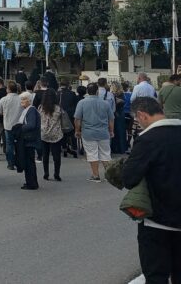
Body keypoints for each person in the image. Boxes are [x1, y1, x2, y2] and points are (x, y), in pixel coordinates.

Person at [122, 96, 181, 283]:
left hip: (157, 222)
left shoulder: (148, 139)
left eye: (137, 120)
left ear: (141, 115)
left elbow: (129, 179)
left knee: (156, 275)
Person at [74, 83, 114, 183]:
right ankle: (109, 175)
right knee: (105, 154)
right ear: (97, 91)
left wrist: (77, 131)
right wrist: (111, 131)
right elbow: (111, 119)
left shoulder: (82, 103)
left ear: (87, 91)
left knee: (92, 154)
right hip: (103, 132)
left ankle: (95, 175)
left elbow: (77, 119)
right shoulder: (105, 103)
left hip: (88, 132)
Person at [0, 81, 22, 170]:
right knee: (19, 144)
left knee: (9, 144)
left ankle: (10, 163)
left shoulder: (3, 99)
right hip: (19, 124)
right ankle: (19, 162)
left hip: (8, 124)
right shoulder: (21, 99)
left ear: (8, 89)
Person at [39, 88, 63, 181]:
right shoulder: (58, 108)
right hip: (56, 134)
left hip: (43, 134)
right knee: (56, 156)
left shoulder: (41, 108)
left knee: (45, 155)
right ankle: (56, 174)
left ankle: (46, 173)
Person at [19, 92, 41, 190]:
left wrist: (20, 128)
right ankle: (30, 182)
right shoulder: (28, 110)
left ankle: (32, 183)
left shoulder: (31, 110)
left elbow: (31, 124)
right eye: (21, 99)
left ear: (29, 100)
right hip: (28, 140)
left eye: (24, 99)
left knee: (29, 163)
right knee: (28, 163)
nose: (22, 101)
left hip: (29, 140)